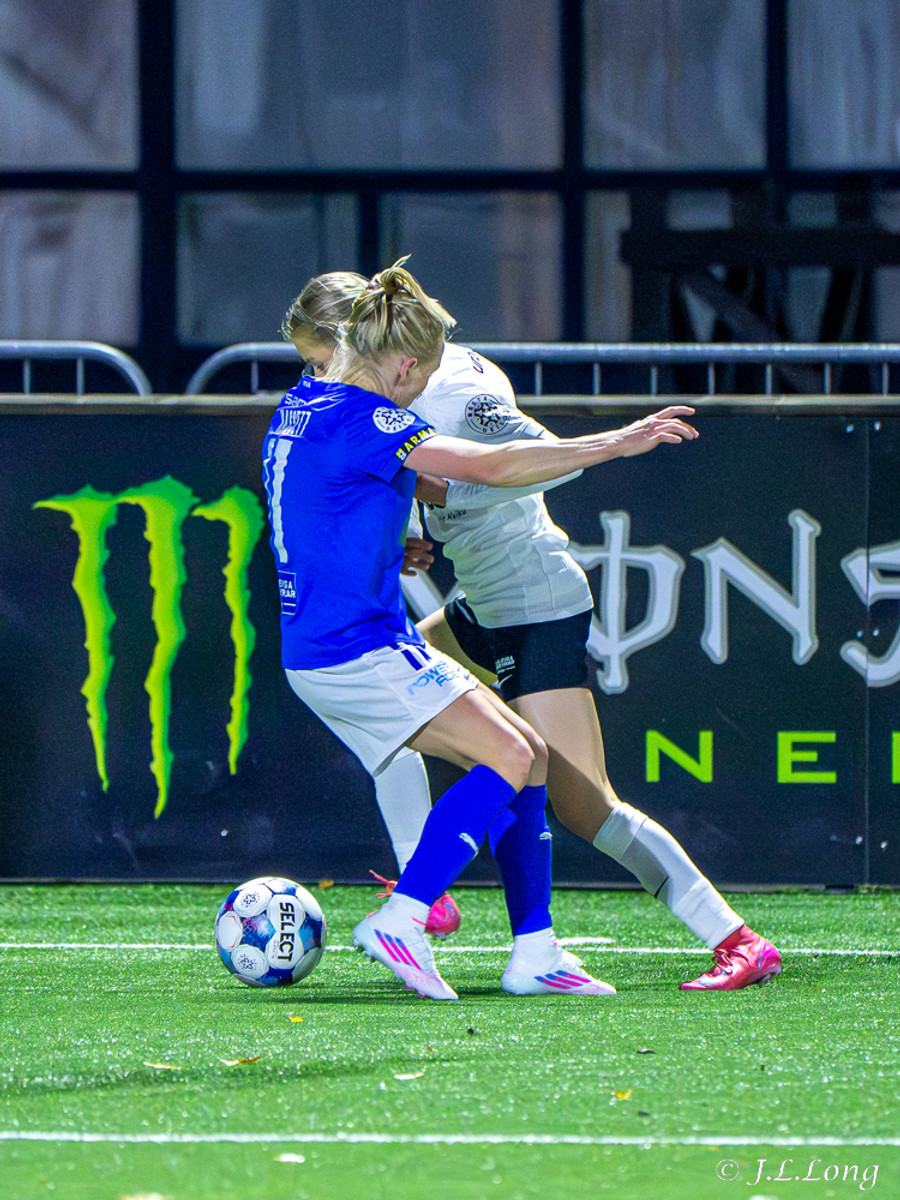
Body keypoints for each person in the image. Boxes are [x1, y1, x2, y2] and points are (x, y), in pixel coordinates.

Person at [281, 268, 783, 994]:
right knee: (397, 714)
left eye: (317, 359)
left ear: (373, 346)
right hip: (479, 604)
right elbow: (393, 478)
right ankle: (462, 909)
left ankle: (736, 939)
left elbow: (531, 460)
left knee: (583, 802)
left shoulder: (454, 388)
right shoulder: (370, 396)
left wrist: (609, 444)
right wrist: (403, 534)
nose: (315, 375)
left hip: (531, 602)